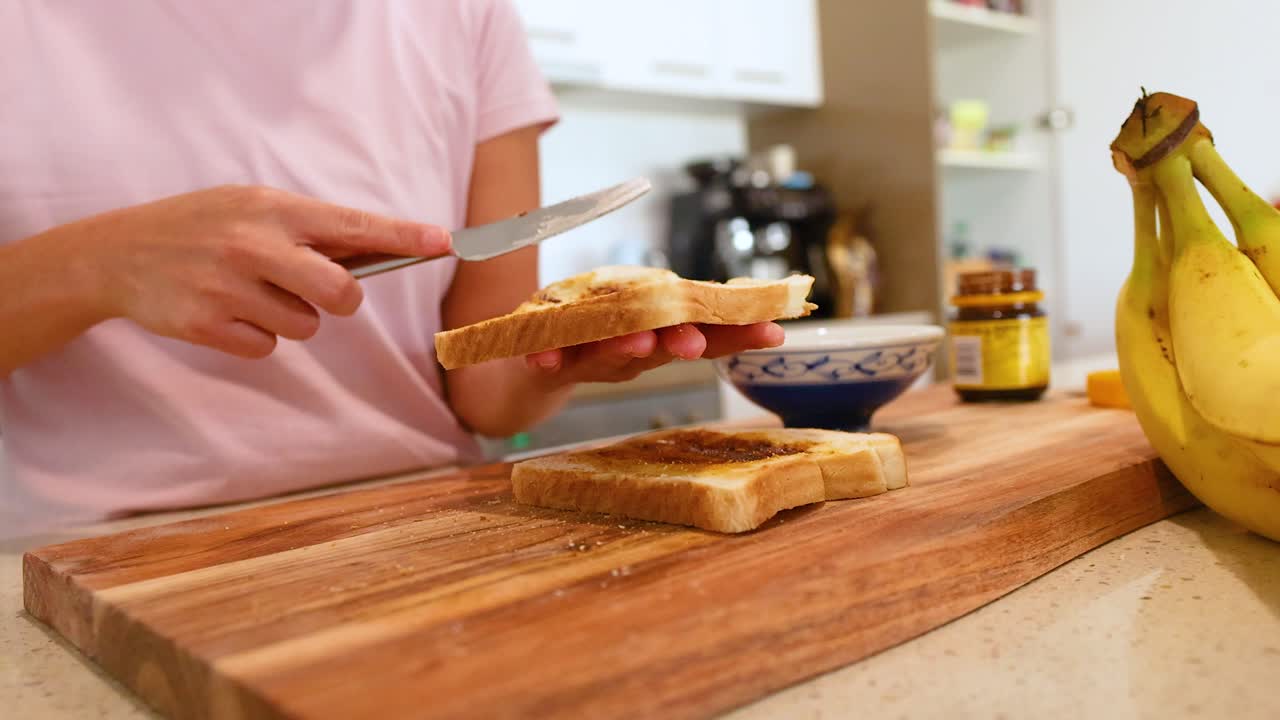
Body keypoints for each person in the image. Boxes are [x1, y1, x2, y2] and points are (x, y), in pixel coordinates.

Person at [0, 1, 783, 534]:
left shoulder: (464, 15)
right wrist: (97, 265)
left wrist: (560, 357)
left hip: (416, 528)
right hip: (78, 553)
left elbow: (488, 393)